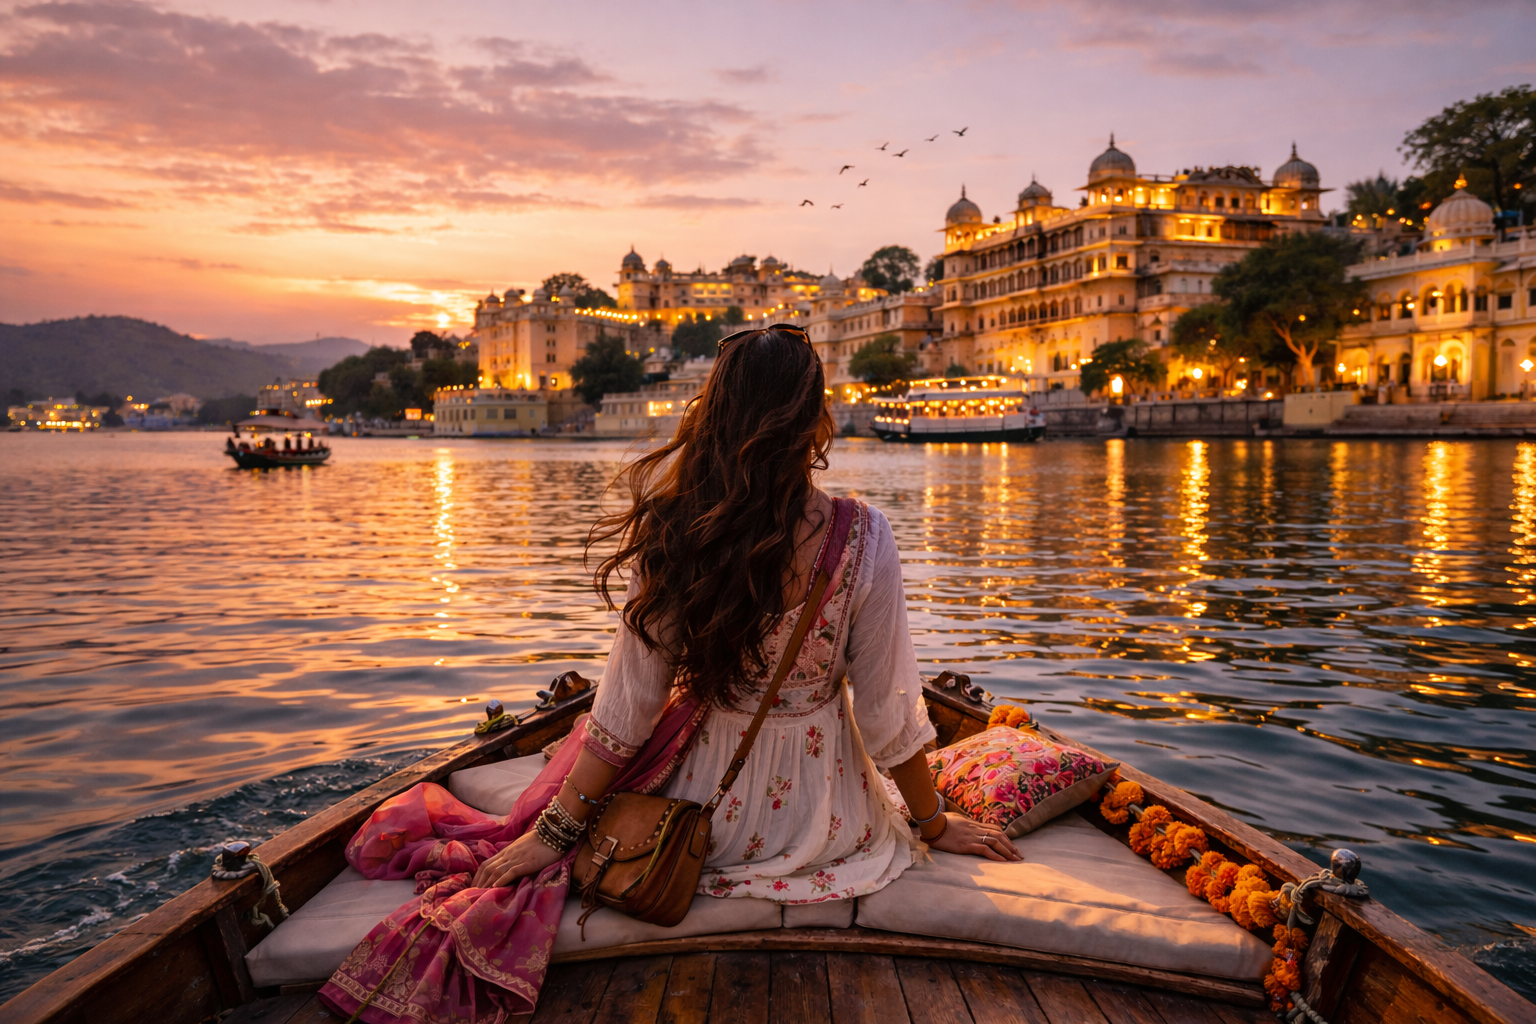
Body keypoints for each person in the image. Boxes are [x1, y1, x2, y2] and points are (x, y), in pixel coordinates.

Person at [321, 325, 1017, 1023]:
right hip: (827, 816)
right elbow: (887, 716)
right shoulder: (864, 536)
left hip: (695, 817)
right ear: (816, 419)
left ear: (712, 414)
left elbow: (624, 715)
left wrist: (552, 835)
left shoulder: (679, 531)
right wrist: (930, 823)